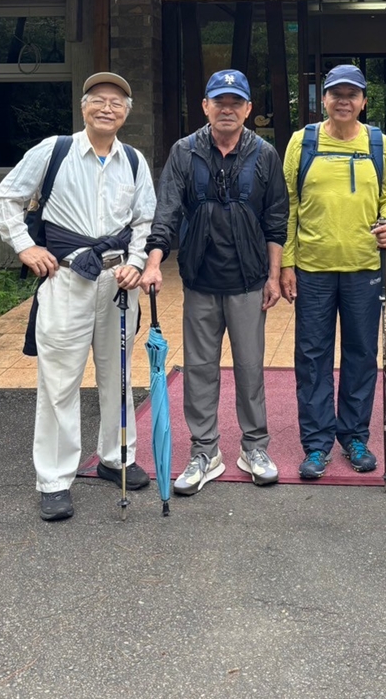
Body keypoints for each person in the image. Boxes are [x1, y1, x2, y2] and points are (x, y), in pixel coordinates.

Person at [0, 72, 156, 522]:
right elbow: (7, 198)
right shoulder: (54, 150)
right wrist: (25, 246)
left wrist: (136, 262)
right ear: (84, 107)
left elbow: (144, 221)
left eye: (117, 102)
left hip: (117, 282)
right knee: (60, 381)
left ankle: (116, 458)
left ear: (126, 112)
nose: (107, 108)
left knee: (118, 373)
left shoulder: (134, 161)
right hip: (66, 278)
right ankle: (54, 480)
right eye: (98, 100)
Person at [141, 69, 288, 495]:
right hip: (200, 282)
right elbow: (167, 212)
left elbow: (276, 219)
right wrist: (153, 263)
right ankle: (205, 451)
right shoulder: (184, 152)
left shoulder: (265, 154)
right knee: (200, 370)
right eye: (219, 102)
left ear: (248, 109)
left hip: (249, 282)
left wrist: (274, 276)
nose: (227, 109)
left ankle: (254, 448)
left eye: (235, 102)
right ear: (205, 106)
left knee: (250, 369)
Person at [279, 64, 386, 480]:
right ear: (324, 99)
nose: (344, 101)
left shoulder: (377, 141)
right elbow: (288, 204)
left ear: (364, 101)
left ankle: (354, 436)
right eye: (336, 94)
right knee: (312, 356)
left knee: (361, 354)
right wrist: (287, 262)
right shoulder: (303, 141)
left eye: (352, 95)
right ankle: (316, 443)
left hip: (363, 266)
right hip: (312, 268)